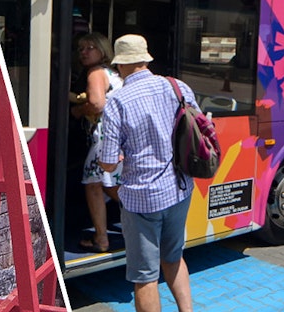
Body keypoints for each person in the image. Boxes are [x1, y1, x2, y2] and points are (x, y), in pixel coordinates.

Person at [98, 35, 195, 312]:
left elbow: (107, 163)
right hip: (179, 189)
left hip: (142, 199)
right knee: (173, 257)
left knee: (145, 277)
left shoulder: (117, 101)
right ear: (145, 59)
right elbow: (196, 129)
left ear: (120, 65)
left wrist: (116, 157)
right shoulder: (177, 87)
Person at [70, 33, 122, 252]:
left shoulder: (96, 73)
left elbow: (97, 104)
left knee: (94, 185)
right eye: (80, 48)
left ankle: (102, 239)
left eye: (90, 47)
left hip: (104, 136)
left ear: (102, 50)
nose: (84, 52)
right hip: (118, 135)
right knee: (104, 184)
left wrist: (78, 110)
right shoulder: (113, 73)